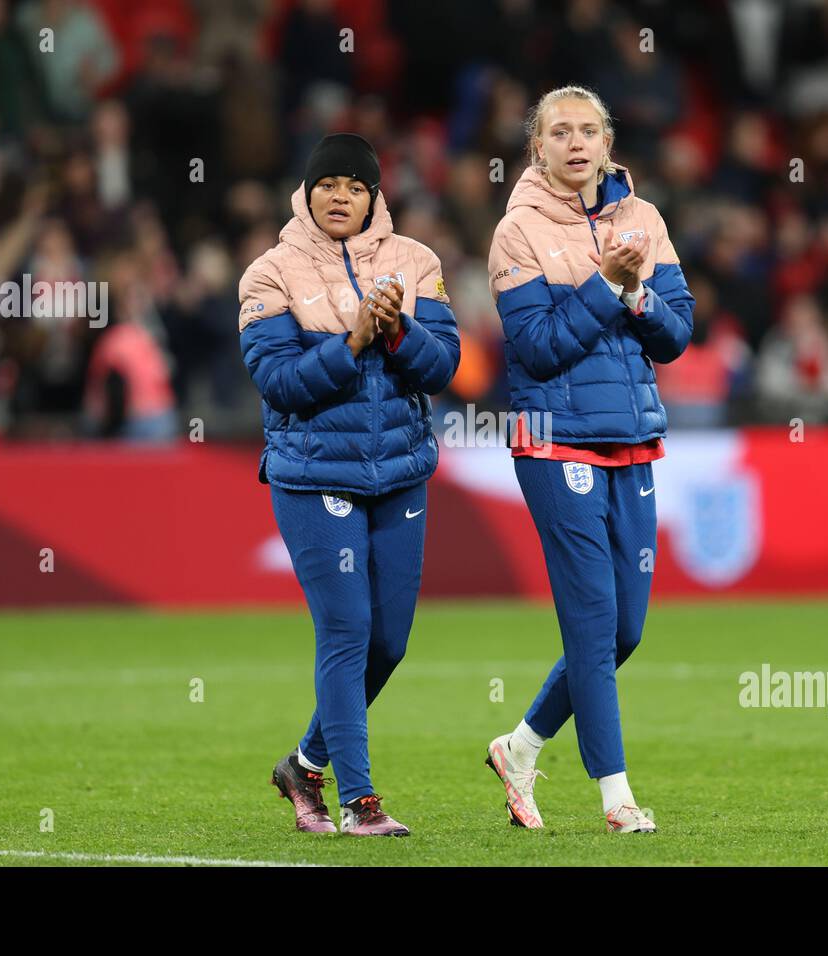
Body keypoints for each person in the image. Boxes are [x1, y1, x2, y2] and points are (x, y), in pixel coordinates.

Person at [485, 86, 694, 833]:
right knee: (593, 619)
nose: (576, 144)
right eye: (558, 132)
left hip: (631, 437)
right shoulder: (516, 232)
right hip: (553, 440)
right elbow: (537, 347)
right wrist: (607, 283)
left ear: (608, 144)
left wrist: (635, 295)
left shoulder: (646, 220)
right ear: (537, 148)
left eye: (588, 131)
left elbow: (677, 335)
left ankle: (521, 746)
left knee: (625, 630)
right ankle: (617, 797)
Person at [238, 133, 459, 836]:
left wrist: (397, 336)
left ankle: (303, 766)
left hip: (398, 472)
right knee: (347, 629)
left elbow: (446, 363)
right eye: (328, 183)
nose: (341, 196)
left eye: (356, 186)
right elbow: (277, 383)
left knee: (389, 642)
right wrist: (352, 344)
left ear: (374, 196)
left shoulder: (417, 262)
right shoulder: (268, 274)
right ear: (306, 193)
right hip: (312, 476)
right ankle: (360, 802)